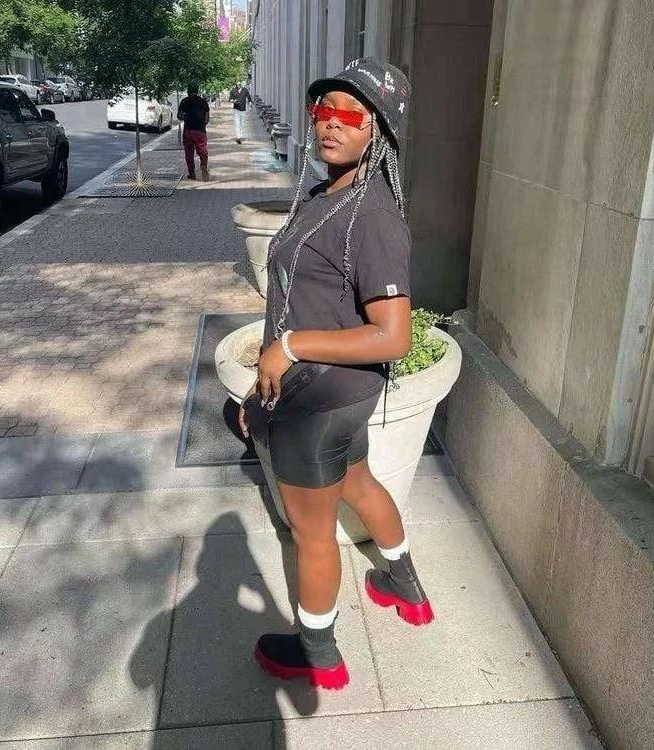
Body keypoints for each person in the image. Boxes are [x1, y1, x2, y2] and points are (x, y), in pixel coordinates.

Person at [240, 58, 432, 691]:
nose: (331, 123)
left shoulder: (370, 214)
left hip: (318, 402)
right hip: (333, 397)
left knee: (313, 533)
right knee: (359, 482)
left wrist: (288, 348)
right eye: (323, 109)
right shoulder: (330, 194)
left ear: (379, 131)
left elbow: (393, 336)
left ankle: (318, 653)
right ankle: (405, 586)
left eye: (351, 114)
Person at [177, 84, 210, 181]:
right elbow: (207, 118)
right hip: (200, 131)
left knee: (189, 154)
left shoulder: (184, 101)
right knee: (202, 151)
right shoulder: (203, 101)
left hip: (188, 131)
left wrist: (185, 116)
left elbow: (179, 116)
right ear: (197, 91)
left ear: (188, 91)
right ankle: (203, 165)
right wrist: (203, 124)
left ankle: (192, 174)